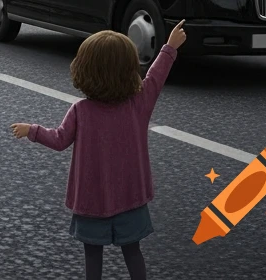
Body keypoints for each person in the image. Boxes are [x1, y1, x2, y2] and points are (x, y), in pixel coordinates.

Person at [10, 21, 188, 280]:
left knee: (92, 256)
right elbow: (156, 77)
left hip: (91, 199)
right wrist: (170, 47)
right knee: (133, 251)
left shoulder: (81, 111)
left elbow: (59, 140)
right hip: (130, 196)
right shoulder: (138, 103)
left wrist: (33, 130)